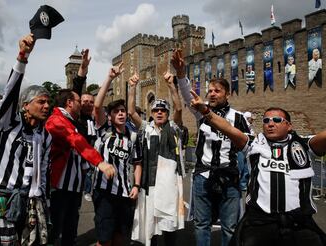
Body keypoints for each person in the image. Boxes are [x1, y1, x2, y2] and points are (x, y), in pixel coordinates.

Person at [189, 94, 326, 246]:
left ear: (289, 125)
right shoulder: (254, 145)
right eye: (266, 120)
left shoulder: (304, 145)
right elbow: (228, 128)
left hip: (299, 223)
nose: (270, 123)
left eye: (277, 120)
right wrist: (206, 111)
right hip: (260, 222)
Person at [0, 34, 52, 245]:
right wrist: (22, 57)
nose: (46, 106)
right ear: (25, 105)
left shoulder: (45, 135)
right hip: (3, 199)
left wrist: (43, 200)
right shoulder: (9, 124)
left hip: (30, 202)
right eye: (41, 102)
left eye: (48, 103)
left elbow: (43, 170)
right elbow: (9, 93)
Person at [171, 48, 251, 246]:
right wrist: (181, 73)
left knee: (230, 226)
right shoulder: (201, 112)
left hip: (229, 177)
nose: (212, 94)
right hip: (203, 176)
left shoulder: (239, 118)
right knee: (201, 224)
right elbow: (188, 96)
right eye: (210, 91)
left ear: (227, 94)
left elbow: (248, 147)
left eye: (217, 91)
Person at [45, 88, 115, 246]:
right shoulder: (56, 119)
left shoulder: (72, 120)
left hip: (73, 186)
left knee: (70, 227)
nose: (82, 105)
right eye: (79, 101)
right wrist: (100, 162)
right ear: (69, 103)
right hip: (60, 186)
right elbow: (75, 140)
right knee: (55, 228)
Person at [129, 71, 185, 246]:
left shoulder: (174, 127)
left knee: (169, 222)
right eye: (156, 110)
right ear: (151, 113)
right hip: (150, 182)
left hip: (170, 182)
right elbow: (131, 111)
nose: (159, 113)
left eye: (163, 110)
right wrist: (132, 88)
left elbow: (179, 108)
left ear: (167, 114)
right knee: (151, 225)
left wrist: (171, 86)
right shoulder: (146, 128)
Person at [93, 63, 142, 246]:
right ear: (110, 116)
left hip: (125, 193)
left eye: (123, 111)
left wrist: (136, 185)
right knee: (104, 239)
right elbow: (97, 106)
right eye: (116, 112)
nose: (121, 114)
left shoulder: (132, 136)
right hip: (105, 192)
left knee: (121, 238)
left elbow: (137, 162)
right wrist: (110, 78)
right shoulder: (104, 129)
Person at [71, 48, 98, 202]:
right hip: (77, 158)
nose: (88, 104)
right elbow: (76, 86)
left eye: (91, 102)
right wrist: (83, 68)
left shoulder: (95, 119)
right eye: (84, 101)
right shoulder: (76, 116)